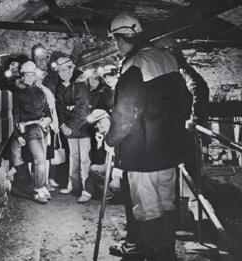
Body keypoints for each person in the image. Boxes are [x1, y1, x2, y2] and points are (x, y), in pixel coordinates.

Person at [104, 13, 190, 260]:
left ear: (120, 40)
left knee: (147, 210)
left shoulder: (135, 66)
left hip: (143, 155)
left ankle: (153, 256)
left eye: (116, 41)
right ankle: (167, 254)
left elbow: (124, 114)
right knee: (167, 205)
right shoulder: (166, 59)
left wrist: (110, 141)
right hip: (168, 153)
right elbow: (186, 101)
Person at [10, 61, 52, 204]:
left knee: (43, 158)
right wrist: (18, 135)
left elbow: (47, 110)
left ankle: (43, 185)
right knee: (39, 159)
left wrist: (48, 119)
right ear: (22, 75)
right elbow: (15, 116)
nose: (30, 77)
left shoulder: (40, 92)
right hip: (29, 129)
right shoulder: (18, 93)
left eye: (33, 74)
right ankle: (38, 189)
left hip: (42, 129)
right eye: (27, 75)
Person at [54, 56, 92, 202]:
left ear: (71, 69)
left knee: (85, 160)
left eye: (66, 70)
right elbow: (59, 107)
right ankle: (74, 186)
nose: (63, 73)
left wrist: (70, 127)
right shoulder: (60, 86)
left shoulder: (81, 85)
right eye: (60, 71)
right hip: (68, 128)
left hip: (82, 128)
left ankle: (87, 190)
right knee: (73, 158)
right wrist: (63, 125)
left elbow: (82, 109)